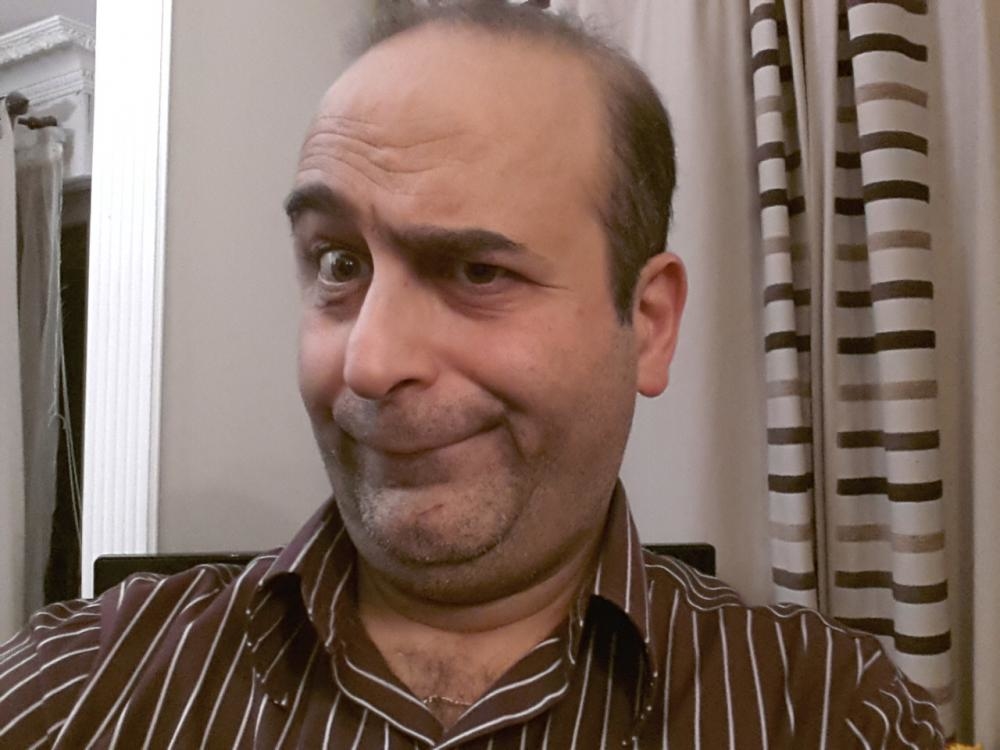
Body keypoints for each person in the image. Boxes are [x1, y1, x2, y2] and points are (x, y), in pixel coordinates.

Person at [0, 2, 944, 747]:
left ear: (649, 326)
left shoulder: (827, 712)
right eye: (339, 263)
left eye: (478, 271)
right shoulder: (83, 684)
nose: (370, 363)